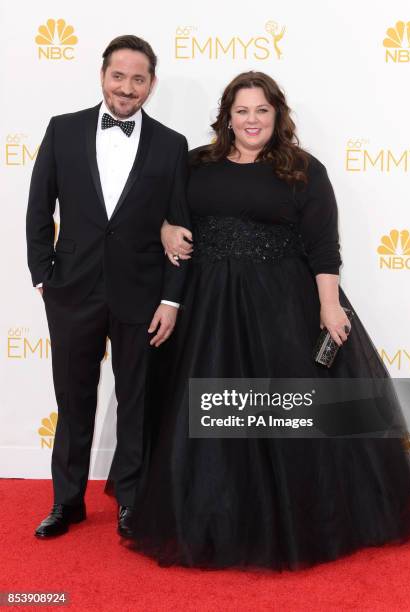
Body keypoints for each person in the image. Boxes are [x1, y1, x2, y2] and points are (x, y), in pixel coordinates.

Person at [126, 71, 410, 570]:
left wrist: (329, 306)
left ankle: (297, 521)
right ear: (227, 116)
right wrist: (164, 227)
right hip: (207, 308)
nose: (251, 120)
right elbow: (169, 213)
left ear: (277, 115)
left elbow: (322, 245)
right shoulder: (195, 165)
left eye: (261, 111)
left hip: (281, 304)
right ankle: (214, 519)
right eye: (241, 111)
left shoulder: (303, 169)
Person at [26, 35, 190, 539]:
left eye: (138, 78)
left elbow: (181, 229)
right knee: (73, 398)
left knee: (137, 403)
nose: (127, 87)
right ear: (102, 76)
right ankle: (66, 502)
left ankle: (131, 503)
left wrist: (171, 297)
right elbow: (38, 209)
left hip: (142, 293)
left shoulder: (171, 144)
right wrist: (43, 277)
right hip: (72, 290)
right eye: (118, 76)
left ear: (152, 84)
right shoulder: (64, 130)